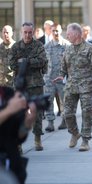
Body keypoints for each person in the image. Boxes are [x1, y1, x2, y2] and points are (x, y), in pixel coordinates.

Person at [53, 23, 92, 152]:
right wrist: (61, 75)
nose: (67, 35)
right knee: (67, 114)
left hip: (86, 87)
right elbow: (63, 67)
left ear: (77, 34)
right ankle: (75, 133)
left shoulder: (90, 48)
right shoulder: (68, 49)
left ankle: (85, 140)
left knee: (86, 113)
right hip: (71, 86)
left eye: (69, 33)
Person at [8, 22, 48, 151]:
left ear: (33, 32)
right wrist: (29, 61)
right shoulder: (15, 47)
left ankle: (37, 139)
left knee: (37, 113)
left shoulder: (39, 45)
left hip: (36, 84)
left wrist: (25, 61)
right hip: (20, 86)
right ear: (21, 32)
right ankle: (18, 143)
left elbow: (42, 61)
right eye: (25, 32)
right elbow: (12, 64)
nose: (27, 35)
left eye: (30, 32)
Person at [0, 86, 37, 184]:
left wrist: (27, 123)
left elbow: (17, 136)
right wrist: (8, 110)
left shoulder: (7, 93)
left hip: (12, 173)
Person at [44, 23, 70, 132]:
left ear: (61, 31)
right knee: (48, 101)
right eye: (53, 30)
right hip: (49, 79)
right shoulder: (46, 46)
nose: (56, 33)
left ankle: (64, 121)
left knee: (65, 101)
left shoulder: (67, 46)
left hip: (62, 79)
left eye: (57, 30)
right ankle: (50, 123)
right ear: (50, 31)